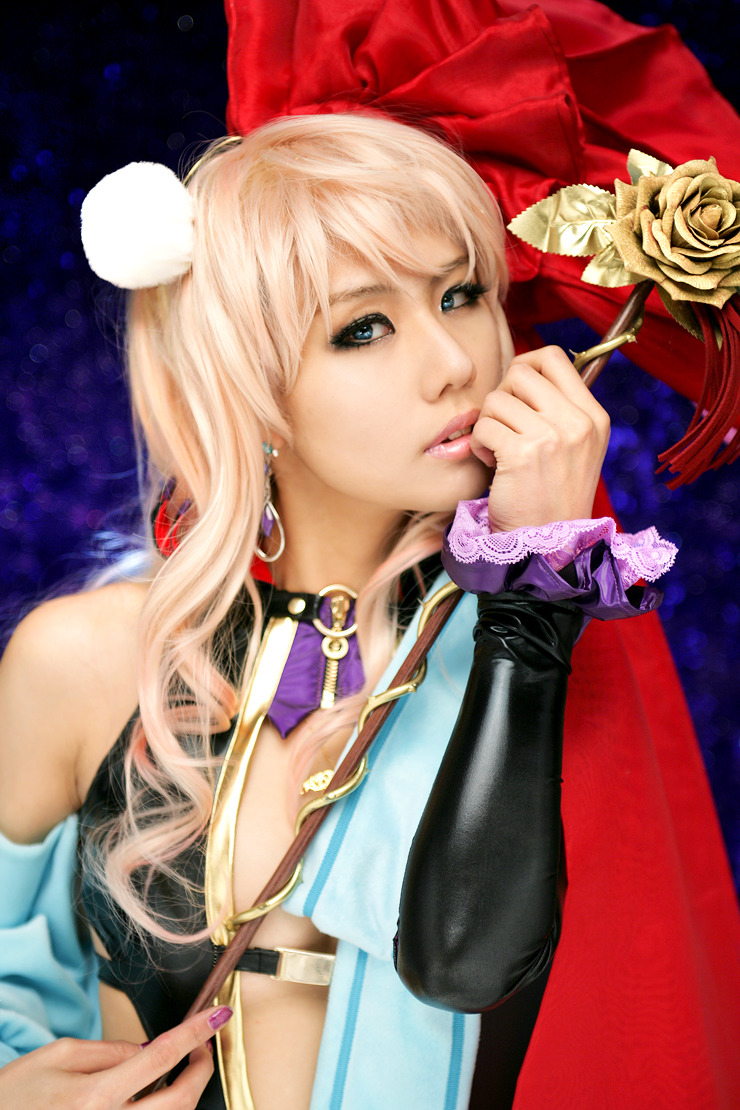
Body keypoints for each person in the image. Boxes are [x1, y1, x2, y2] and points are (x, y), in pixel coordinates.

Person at [1, 107, 739, 1110]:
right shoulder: (83, 662)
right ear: (249, 390)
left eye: (461, 294)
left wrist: (533, 597)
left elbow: (468, 967)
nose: (454, 362)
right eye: (362, 328)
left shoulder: (546, 639)